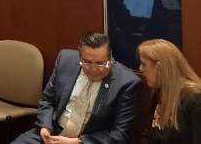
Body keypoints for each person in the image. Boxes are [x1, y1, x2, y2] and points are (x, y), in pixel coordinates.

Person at [11, 32, 141, 144]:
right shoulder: (65, 60)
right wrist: (45, 126)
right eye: (87, 62)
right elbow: (47, 100)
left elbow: (119, 135)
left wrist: (78, 141)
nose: (94, 69)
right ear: (79, 57)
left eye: (101, 63)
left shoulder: (126, 82)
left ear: (110, 57)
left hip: (86, 140)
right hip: (53, 133)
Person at [137, 39, 201, 144]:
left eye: (144, 64)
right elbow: (150, 135)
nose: (140, 69)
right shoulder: (159, 94)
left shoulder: (195, 99)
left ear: (160, 68)